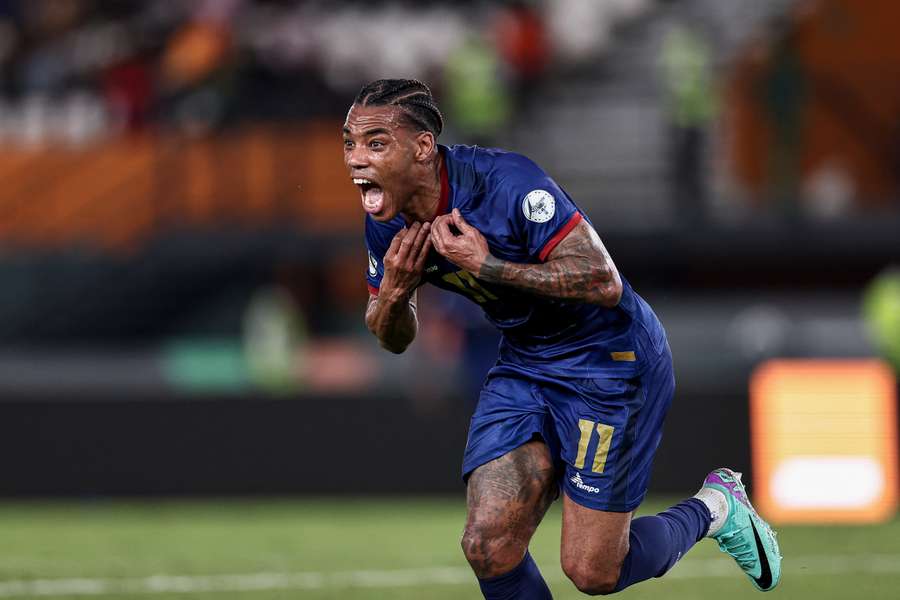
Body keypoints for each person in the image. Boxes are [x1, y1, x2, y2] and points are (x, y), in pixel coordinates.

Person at [345, 78, 781, 598]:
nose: (356, 158)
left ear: (421, 148)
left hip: (610, 361)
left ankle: (717, 507)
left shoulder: (506, 184)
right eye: (349, 142)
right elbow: (393, 339)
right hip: (526, 362)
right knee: (488, 545)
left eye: (375, 143)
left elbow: (602, 281)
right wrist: (392, 296)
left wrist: (490, 267)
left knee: (593, 572)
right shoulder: (387, 223)